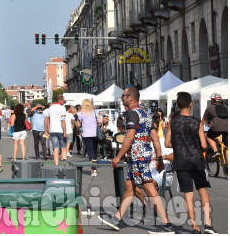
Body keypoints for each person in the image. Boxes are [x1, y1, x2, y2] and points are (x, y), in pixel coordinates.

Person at [99, 87, 174, 233]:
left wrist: (118, 156)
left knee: (148, 188)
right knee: (129, 186)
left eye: (123, 96)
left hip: (138, 156)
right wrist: (158, 158)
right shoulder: (145, 114)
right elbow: (155, 138)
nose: (122, 98)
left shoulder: (132, 114)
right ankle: (116, 218)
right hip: (142, 156)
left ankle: (167, 225)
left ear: (131, 97)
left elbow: (129, 137)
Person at [166, 92, 216, 234]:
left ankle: (194, 226)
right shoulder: (197, 122)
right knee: (203, 190)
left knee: (188, 194)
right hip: (197, 161)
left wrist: (179, 144)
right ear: (191, 104)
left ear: (177, 105)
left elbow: (168, 143)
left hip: (181, 161)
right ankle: (208, 224)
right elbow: (203, 144)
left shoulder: (173, 122)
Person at [76, 99, 99, 176]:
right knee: (94, 151)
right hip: (95, 134)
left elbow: (78, 125)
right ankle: (94, 167)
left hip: (86, 134)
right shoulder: (95, 112)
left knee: (90, 152)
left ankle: (94, 169)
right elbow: (100, 122)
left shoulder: (80, 113)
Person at [44, 93, 67, 165]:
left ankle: (56, 164)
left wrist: (46, 130)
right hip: (60, 130)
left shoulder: (50, 108)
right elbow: (63, 120)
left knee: (55, 148)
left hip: (53, 130)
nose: (64, 102)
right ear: (60, 101)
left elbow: (46, 119)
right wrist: (65, 132)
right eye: (63, 101)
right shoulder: (62, 108)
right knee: (63, 147)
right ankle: (64, 161)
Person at [202, 93, 227, 158]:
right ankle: (227, 165)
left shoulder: (209, 108)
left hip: (216, 128)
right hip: (228, 128)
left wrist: (200, 128)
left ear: (213, 100)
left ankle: (216, 151)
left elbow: (203, 121)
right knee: (227, 146)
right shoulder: (227, 107)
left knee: (209, 136)